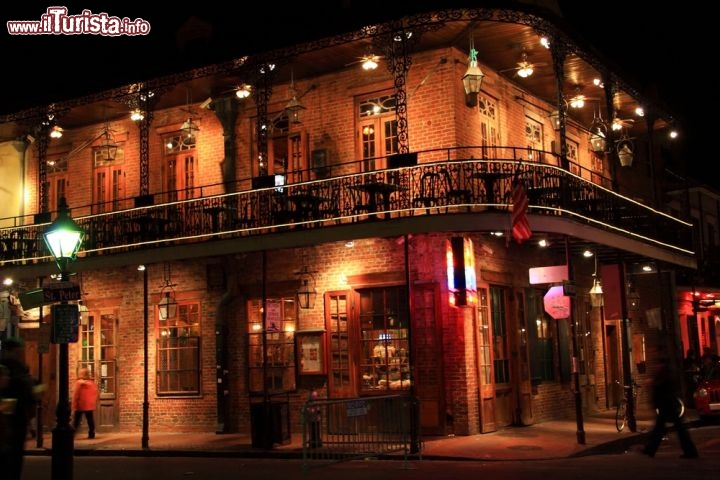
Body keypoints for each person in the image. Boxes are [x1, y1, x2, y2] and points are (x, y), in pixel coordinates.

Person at [642, 354, 698, 459]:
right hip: (667, 404)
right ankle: (650, 449)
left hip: (667, 404)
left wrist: (652, 383)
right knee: (664, 428)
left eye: (657, 364)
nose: (656, 366)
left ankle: (650, 449)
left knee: (669, 428)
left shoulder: (665, 373)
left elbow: (663, 387)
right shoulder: (665, 372)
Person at [0, 337, 38, 480]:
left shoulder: (19, 369)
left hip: (13, 420)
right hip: (14, 420)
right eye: (18, 351)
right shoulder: (18, 371)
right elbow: (28, 395)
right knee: (14, 458)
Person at [72, 367, 98, 439]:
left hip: (80, 405)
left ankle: (72, 434)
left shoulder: (78, 383)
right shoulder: (92, 383)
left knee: (76, 421)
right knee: (90, 420)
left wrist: (74, 404)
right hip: (89, 405)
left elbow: (76, 394)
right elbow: (95, 393)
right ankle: (91, 434)